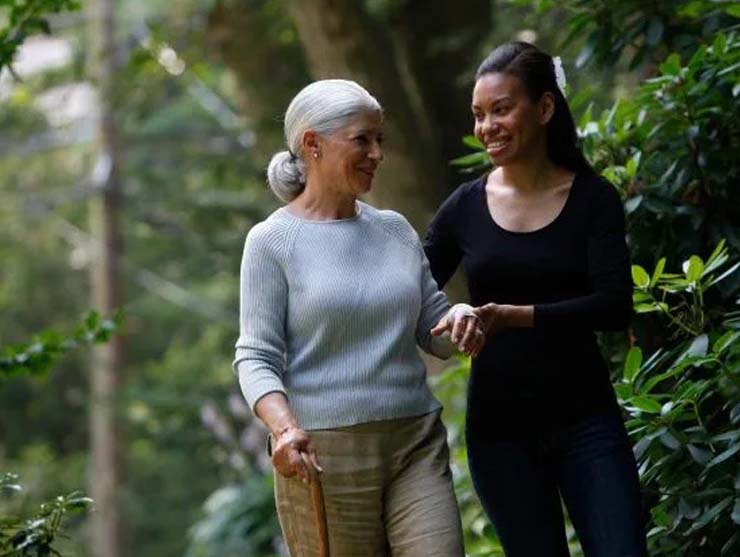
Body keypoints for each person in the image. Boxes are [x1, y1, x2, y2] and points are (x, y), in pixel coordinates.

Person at [234, 79, 484, 557]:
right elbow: (255, 357)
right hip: (323, 457)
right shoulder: (271, 242)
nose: (377, 153)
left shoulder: (394, 229)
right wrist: (284, 429)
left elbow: (433, 328)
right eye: (361, 140)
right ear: (312, 144)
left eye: (380, 140)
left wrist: (461, 319)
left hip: (414, 441)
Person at [424, 42, 648, 556]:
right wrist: (457, 312)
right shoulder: (463, 207)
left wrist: (516, 317)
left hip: (587, 423)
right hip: (500, 435)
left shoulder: (594, 199)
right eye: (479, 115)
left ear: (545, 108)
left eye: (501, 109)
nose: (487, 127)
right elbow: (409, 286)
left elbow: (614, 307)